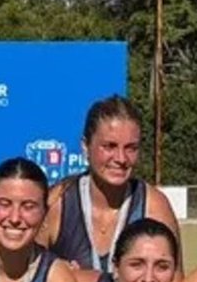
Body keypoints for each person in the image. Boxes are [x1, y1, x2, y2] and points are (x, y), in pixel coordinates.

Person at [40, 96, 182, 271]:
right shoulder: (57, 204)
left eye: (131, 148)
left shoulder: (153, 206)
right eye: (109, 146)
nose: (121, 158)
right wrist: (60, 279)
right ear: (86, 146)